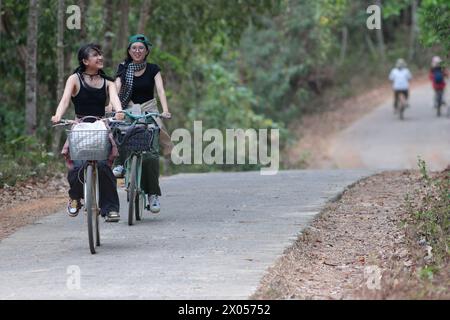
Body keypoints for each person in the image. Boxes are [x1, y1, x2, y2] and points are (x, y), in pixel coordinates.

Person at [51, 43, 125, 222]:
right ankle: (75, 198)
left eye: (100, 55)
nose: (100, 58)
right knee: (77, 167)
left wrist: (119, 111)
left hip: (100, 126)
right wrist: (58, 115)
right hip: (80, 126)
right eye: (95, 55)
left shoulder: (108, 82)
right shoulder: (74, 79)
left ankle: (111, 209)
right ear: (85, 61)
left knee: (103, 166)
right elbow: (65, 100)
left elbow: (115, 100)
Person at [112, 34, 173, 214]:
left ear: (146, 51)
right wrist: (111, 105)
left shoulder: (153, 69)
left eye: (141, 48)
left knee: (151, 154)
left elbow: (160, 90)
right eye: (134, 48)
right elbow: (116, 87)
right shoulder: (123, 68)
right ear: (129, 51)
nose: (137, 51)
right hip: (127, 110)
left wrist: (165, 109)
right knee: (119, 132)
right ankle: (120, 164)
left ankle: (153, 194)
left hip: (149, 110)